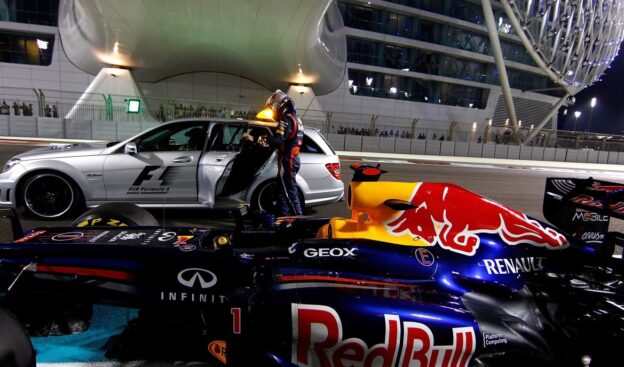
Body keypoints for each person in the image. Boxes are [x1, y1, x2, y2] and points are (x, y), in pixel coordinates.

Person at [242, 89, 304, 216]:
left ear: (279, 104)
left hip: (288, 159)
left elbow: (278, 138)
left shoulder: (286, 119)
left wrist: (255, 138)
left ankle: (298, 220)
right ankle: (285, 218)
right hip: (291, 158)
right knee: (282, 191)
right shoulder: (295, 118)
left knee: (289, 192)